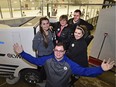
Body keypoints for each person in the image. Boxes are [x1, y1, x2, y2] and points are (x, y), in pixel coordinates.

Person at [13, 42, 114, 87]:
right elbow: (34, 60)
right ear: (53, 50)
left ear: (64, 52)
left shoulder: (70, 64)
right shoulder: (47, 59)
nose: (58, 53)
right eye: (56, 50)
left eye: (61, 51)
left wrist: (100, 69)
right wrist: (22, 53)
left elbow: (85, 71)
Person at [32, 17, 54, 82]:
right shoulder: (38, 36)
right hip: (43, 56)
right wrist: (43, 48)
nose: (46, 25)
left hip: (50, 54)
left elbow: (51, 42)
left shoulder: (50, 31)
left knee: (49, 69)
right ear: (41, 25)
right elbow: (34, 47)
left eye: (47, 23)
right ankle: (42, 81)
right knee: (43, 71)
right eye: (44, 24)